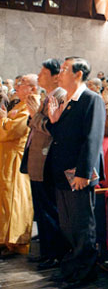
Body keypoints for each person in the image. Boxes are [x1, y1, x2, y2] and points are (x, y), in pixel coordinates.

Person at [46, 57, 106, 287]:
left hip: (78, 172)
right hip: (62, 171)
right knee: (67, 224)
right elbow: (63, 136)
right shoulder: (67, 100)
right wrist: (54, 121)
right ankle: (72, 268)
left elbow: (92, 138)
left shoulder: (92, 99)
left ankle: (85, 271)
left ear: (78, 74)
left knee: (82, 224)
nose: (59, 74)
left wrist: (83, 172)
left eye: (64, 69)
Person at [20, 59, 68, 269]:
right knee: (41, 210)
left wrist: (34, 116)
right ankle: (47, 252)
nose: (39, 77)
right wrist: (35, 115)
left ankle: (55, 254)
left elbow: (53, 129)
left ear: (56, 77)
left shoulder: (60, 96)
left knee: (49, 210)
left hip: (47, 160)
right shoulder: (47, 97)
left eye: (43, 73)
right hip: (37, 159)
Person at [0, 75, 39, 257]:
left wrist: (3, 120)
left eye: (21, 84)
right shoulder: (20, 104)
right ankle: (4, 239)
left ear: (32, 88)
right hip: (7, 156)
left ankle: (16, 241)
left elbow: (14, 131)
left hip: (17, 158)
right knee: (6, 198)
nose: (17, 86)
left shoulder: (32, 105)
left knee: (15, 198)